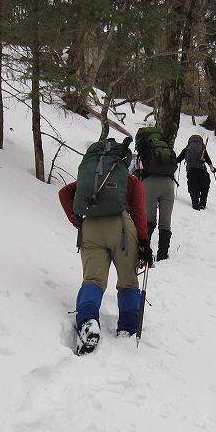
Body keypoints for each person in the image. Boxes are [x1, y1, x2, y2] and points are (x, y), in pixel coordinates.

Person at [58, 137, 153, 355]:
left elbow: (64, 194)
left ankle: (88, 322)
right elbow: (138, 213)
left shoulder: (91, 180)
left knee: (93, 281)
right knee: (128, 282)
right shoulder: (130, 182)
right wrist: (145, 243)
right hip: (121, 229)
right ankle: (127, 329)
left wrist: (78, 222)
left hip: (90, 228)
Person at [134, 127, 178, 261]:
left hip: (149, 183)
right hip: (168, 185)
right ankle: (163, 256)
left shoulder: (145, 150)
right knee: (165, 223)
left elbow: (134, 171)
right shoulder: (164, 147)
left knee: (149, 220)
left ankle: (144, 252)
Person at [176, 135, 216, 210]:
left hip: (191, 171)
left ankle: (195, 204)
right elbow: (208, 160)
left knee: (193, 187)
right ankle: (202, 204)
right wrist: (212, 169)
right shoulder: (202, 149)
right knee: (205, 186)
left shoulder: (187, 148)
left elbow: (178, 159)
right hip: (202, 171)